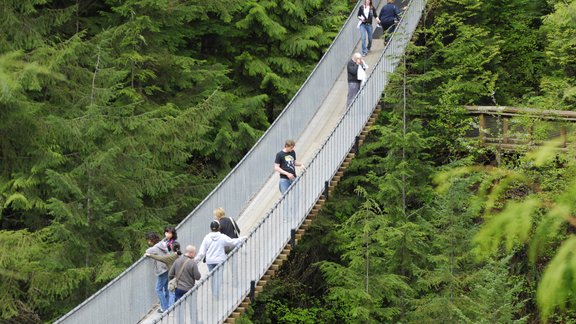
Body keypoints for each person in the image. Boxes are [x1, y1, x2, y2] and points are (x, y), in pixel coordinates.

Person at [194, 220, 246, 297]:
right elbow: (232, 242)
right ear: (219, 227)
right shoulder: (222, 237)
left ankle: (214, 292)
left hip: (210, 261)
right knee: (219, 276)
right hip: (220, 260)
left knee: (212, 276)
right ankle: (216, 293)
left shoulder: (207, 237)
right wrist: (242, 238)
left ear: (210, 228)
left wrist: (195, 261)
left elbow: (202, 252)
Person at [145, 241, 182, 308]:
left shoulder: (171, 257)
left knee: (170, 291)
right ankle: (171, 306)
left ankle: (169, 308)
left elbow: (161, 258)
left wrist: (150, 255)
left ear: (172, 248)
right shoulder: (179, 255)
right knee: (171, 290)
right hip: (180, 276)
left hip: (174, 277)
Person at [145, 232, 170, 313]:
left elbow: (147, 251)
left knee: (158, 289)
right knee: (166, 288)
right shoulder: (162, 244)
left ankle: (164, 307)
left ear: (152, 240)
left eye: (149, 240)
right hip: (167, 267)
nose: (148, 242)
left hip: (162, 270)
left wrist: (147, 254)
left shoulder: (155, 248)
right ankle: (168, 305)